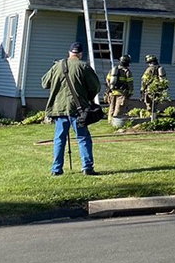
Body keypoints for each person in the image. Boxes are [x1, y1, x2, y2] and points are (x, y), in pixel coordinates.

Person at [41, 42, 102, 175]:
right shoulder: (84, 66)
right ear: (80, 54)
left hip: (59, 109)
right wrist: (88, 98)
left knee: (59, 139)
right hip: (79, 109)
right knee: (83, 137)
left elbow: (44, 83)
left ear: (69, 53)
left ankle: (56, 169)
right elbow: (95, 87)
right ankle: (87, 167)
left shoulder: (57, 66)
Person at [104, 54, 134, 119]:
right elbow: (130, 84)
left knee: (111, 108)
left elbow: (108, 79)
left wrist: (110, 88)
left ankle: (110, 121)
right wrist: (130, 93)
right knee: (119, 109)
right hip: (121, 94)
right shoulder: (127, 72)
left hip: (112, 92)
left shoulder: (113, 70)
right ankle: (116, 122)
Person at [140, 54, 169, 120]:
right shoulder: (160, 68)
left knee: (149, 105)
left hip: (150, 90)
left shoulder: (149, 69)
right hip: (158, 90)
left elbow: (144, 80)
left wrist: (142, 89)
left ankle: (150, 119)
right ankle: (154, 118)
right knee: (155, 105)